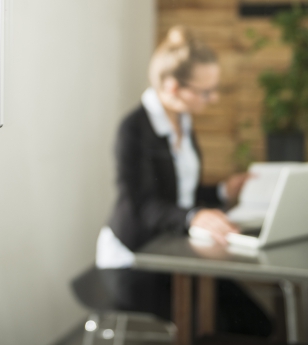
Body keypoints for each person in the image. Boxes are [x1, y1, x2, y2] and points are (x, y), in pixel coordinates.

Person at [96, 26, 272, 336]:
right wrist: (194, 216)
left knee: (256, 322)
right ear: (173, 87)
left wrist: (221, 190)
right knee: (212, 328)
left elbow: (180, 191)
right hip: (133, 258)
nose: (213, 98)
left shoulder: (184, 121)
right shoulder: (133, 129)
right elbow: (143, 205)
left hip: (174, 248)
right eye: (206, 91)